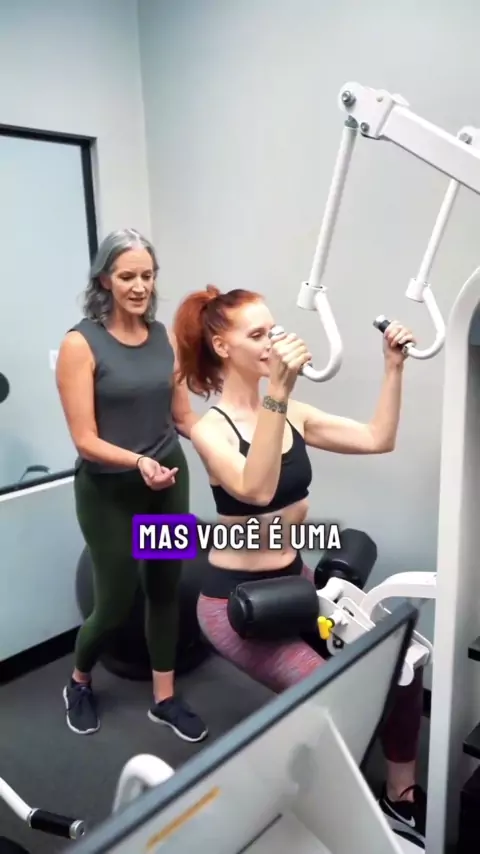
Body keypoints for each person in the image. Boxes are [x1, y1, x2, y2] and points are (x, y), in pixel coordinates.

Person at [172, 284, 427, 849]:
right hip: (235, 603)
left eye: (273, 329)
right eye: (257, 334)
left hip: (295, 582)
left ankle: (401, 794)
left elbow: (378, 439)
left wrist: (393, 367)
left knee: (403, 666)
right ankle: (315, 816)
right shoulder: (211, 430)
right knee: (333, 697)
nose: (273, 342)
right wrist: (279, 394)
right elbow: (256, 490)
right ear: (222, 346)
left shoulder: (294, 414)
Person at [55, 228, 207, 744]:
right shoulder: (80, 344)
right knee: (115, 601)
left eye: (147, 275)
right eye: (127, 276)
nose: (140, 286)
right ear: (105, 280)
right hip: (109, 493)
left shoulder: (165, 338)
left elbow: (183, 417)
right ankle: (79, 682)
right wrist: (139, 462)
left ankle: (164, 699)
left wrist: (229, 444)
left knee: (165, 591)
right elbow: (85, 440)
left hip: (167, 482)